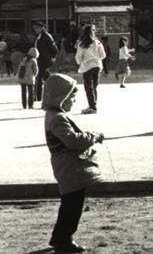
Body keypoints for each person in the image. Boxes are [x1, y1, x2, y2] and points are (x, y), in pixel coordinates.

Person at [42, 73, 105, 254]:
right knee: (72, 206)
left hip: (65, 165)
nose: (74, 100)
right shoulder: (58, 118)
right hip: (69, 166)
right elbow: (73, 141)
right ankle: (63, 240)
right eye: (72, 97)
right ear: (60, 97)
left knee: (70, 204)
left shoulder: (53, 115)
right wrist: (92, 136)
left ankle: (61, 238)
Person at [74, 24, 106, 114]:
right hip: (97, 65)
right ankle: (94, 105)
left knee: (88, 87)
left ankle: (92, 107)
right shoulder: (97, 42)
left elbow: (78, 57)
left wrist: (79, 62)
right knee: (94, 86)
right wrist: (96, 57)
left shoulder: (82, 43)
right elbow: (103, 55)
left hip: (87, 66)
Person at [34, 24, 59, 103]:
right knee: (46, 78)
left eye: (37, 28)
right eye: (35, 28)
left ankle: (38, 96)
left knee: (39, 78)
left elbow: (53, 47)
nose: (36, 30)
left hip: (44, 60)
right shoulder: (39, 36)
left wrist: (53, 56)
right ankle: (56, 91)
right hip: (40, 59)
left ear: (42, 28)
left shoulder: (46, 36)